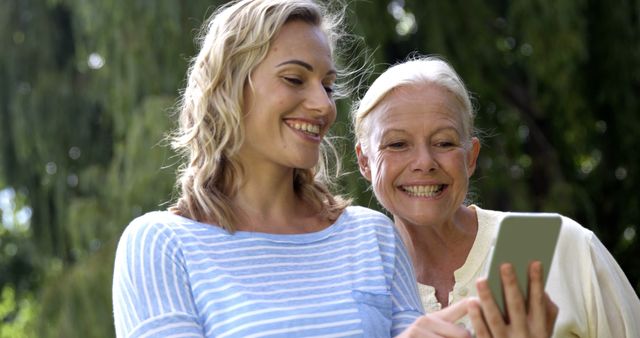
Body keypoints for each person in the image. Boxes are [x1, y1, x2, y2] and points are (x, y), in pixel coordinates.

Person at [112, 1, 491, 337]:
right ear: (228, 87)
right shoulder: (161, 245)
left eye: (327, 86)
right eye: (295, 79)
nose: (324, 106)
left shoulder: (372, 238)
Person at [352, 55, 640, 337]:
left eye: (444, 142)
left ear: (471, 157)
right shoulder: (355, 286)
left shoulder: (554, 246)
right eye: (398, 144)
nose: (424, 161)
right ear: (364, 161)